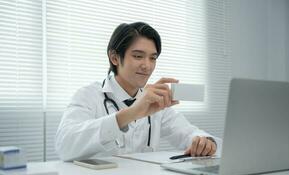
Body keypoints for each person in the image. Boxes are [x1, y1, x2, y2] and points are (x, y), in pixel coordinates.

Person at [55, 22, 222, 161]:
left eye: (153, 58)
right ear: (114, 58)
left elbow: (188, 132)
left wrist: (205, 142)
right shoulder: (89, 96)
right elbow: (64, 145)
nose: (147, 66)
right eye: (138, 56)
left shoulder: (155, 100)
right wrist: (131, 113)